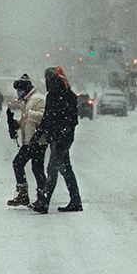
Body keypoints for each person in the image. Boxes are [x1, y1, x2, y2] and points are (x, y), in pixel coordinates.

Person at [34, 65, 82, 212]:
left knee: (52, 169)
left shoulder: (67, 96)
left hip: (61, 139)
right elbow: (47, 118)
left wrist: (63, 133)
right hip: (57, 137)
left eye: (50, 79)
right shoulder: (55, 96)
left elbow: (72, 120)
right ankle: (75, 201)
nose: (47, 82)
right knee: (66, 169)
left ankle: (44, 202)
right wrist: (40, 133)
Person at [6, 73, 47, 207]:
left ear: (26, 88)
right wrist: (16, 124)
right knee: (37, 168)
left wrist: (29, 115)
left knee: (19, 163)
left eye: (19, 90)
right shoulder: (28, 101)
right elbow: (27, 123)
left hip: (37, 140)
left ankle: (27, 194)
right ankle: (41, 194)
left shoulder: (38, 99)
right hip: (30, 140)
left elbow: (44, 117)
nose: (18, 93)